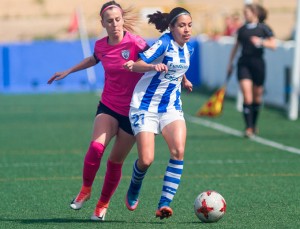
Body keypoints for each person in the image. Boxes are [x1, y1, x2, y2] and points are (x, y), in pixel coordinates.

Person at [47, 0, 148, 221]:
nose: (114, 24)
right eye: (109, 21)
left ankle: (102, 205)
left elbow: (159, 60)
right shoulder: (101, 45)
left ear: (122, 20)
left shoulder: (137, 43)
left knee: (114, 162)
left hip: (133, 113)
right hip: (109, 106)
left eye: (118, 20)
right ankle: (85, 190)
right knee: (95, 147)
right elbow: (94, 59)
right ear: (102, 23)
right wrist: (69, 71)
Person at [123, 7, 193, 219]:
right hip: (145, 106)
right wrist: (153, 68)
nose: (187, 30)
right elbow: (136, 65)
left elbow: (178, 67)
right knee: (146, 160)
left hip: (171, 107)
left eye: (189, 25)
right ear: (171, 27)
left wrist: (184, 79)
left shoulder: (188, 48)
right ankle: (135, 185)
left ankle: (164, 203)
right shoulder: (164, 43)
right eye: (182, 26)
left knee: (178, 151)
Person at [227, 3, 276, 137]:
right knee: (247, 96)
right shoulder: (242, 29)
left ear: (255, 13)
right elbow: (235, 47)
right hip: (244, 64)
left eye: (247, 12)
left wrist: (260, 42)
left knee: (257, 96)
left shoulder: (264, 28)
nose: (245, 15)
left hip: (258, 64)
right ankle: (248, 128)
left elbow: (273, 45)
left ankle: (254, 125)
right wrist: (230, 64)